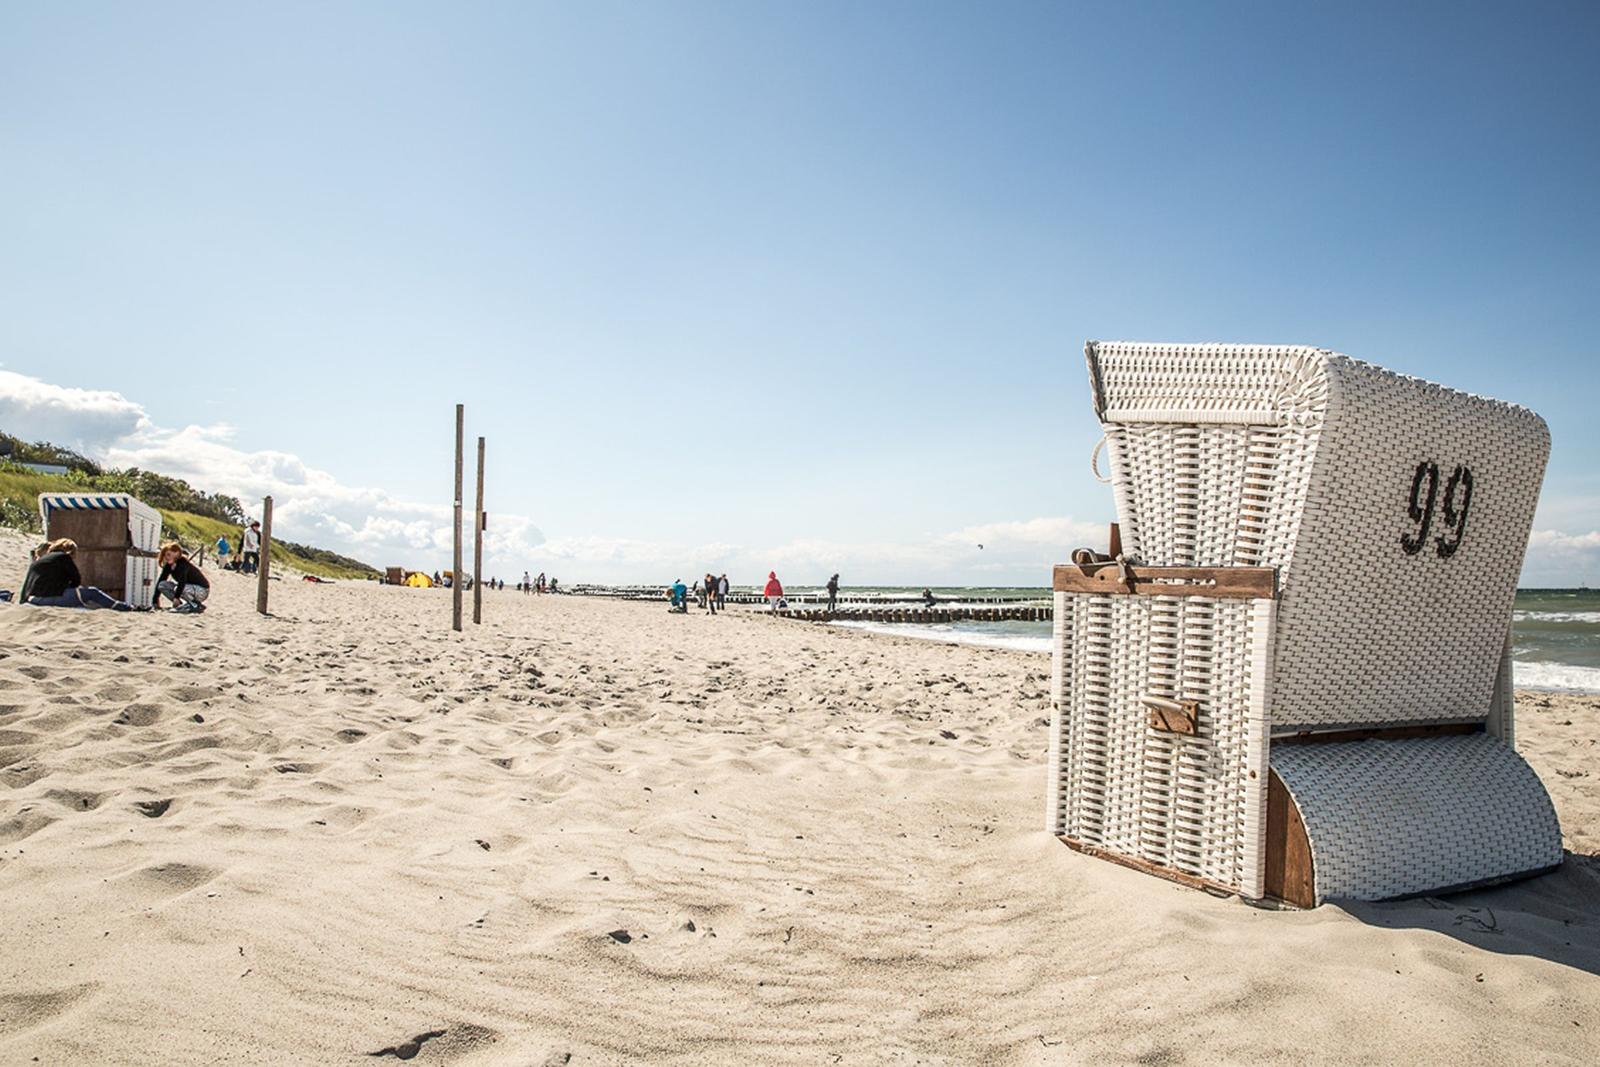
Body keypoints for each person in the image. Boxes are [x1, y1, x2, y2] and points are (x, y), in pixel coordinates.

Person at [21, 538, 132, 610]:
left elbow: (27, 585)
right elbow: (76, 580)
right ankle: (123, 607)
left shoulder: (40, 560)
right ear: (70, 551)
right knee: (92, 592)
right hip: (49, 598)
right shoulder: (64, 557)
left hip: (33, 599)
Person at [153, 541, 211, 613]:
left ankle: (194, 604)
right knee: (162, 585)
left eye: (169, 554)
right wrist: (155, 600)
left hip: (202, 590)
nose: (166, 557)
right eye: (165, 555)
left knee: (179, 588)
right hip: (188, 588)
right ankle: (180, 605)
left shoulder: (183, 563)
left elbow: (182, 581)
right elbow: (161, 579)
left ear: (176, 553)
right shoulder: (169, 566)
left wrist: (176, 597)